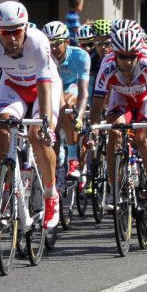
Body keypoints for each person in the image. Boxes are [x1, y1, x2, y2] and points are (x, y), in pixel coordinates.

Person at [0, 1, 61, 229]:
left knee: (36, 134)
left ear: (25, 29)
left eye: (16, 32)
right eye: (5, 33)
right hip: (13, 85)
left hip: (44, 86)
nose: (11, 38)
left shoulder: (39, 41)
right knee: (2, 127)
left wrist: (45, 124)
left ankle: (51, 194)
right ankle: (3, 186)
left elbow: (44, 86)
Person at [91, 23, 147, 217]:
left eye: (133, 56)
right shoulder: (107, 66)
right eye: (123, 57)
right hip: (121, 99)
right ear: (115, 54)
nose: (129, 61)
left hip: (144, 101)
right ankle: (113, 186)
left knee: (143, 139)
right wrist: (93, 128)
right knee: (114, 131)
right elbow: (98, 101)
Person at [43, 21, 89, 178]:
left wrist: (80, 117)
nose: (53, 48)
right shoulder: (43, 56)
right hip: (53, 86)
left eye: (57, 43)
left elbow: (83, 91)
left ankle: (72, 157)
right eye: (49, 43)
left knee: (68, 103)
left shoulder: (80, 55)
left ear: (67, 42)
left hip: (72, 86)